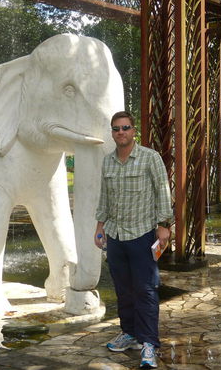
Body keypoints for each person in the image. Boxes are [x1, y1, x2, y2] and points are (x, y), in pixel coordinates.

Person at [94, 111, 173, 369]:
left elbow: (163, 192)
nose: (121, 132)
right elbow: (105, 197)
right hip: (116, 236)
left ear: (134, 131)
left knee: (145, 290)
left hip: (142, 234)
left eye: (125, 127)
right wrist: (100, 226)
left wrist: (164, 226)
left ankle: (148, 343)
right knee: (123, 288)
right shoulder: (108, 162)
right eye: (116, 128)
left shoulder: (150, 158)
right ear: (112, 132)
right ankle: (129, 332)